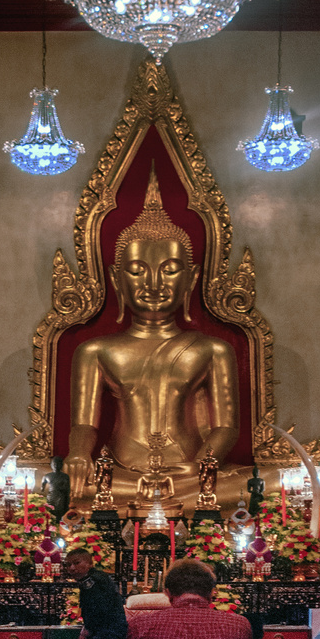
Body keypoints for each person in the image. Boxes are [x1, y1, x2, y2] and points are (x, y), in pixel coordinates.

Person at [64, 170, 240, 506]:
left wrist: (201, 468)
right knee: (55, 485)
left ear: (191, 278)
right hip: (120, 474)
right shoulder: (96, 350)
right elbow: (84, 423)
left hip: (190, 473)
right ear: (117, 278)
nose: (154, 283)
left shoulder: (212, 349)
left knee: (268, 484)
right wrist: (77, 454)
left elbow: (227, 428)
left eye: (171, 269)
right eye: (137, 269)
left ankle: (180, 493)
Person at [63, 547, 128, 639]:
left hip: (106, 637)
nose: (72, 568)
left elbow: (98, 610)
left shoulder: (92, 581)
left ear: (89, 563)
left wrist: (87, 630)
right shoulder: (98, 577)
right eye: (68, 565)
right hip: (113, 634)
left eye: (77, 563)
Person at [40, 456, 71, 523]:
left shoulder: (65, 476)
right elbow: (42, 489)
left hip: (61, 496)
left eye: (58, 464)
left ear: (61, 465)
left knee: (60, 511)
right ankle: (51, 524)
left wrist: (67, 498)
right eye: (54, 464)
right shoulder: (47, 476)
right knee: (50, 511)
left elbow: (67, 489)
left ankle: (59, 524)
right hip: (51, 496)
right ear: (51, 465)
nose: (56, 466)